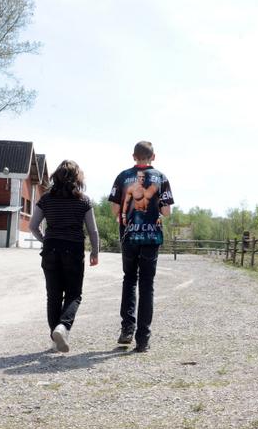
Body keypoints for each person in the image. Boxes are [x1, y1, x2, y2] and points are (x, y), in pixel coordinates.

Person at [109, 141, 174, 352]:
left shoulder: (122, 177)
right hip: (151, 238)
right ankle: (143, 339)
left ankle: (127, 329)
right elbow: (166, 213)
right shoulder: (161, 178)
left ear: (133, 156)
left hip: (129, 237)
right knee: (147, 285)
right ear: (153, 157)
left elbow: (114, 211)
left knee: (129, 280)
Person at [29, 160, 100, 353]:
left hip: (51, 249)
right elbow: (92, 230)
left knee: (53, 296)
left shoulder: (46, 199)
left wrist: (45, 240)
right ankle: (63, 327)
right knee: (73, 294)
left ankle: (55, 337)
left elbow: (32, 226)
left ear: (56, 176)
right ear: (77, 178)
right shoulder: (83, 200)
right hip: (73, 249)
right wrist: (95, 251)